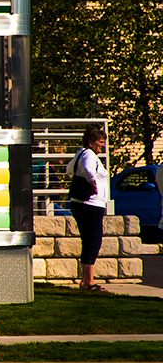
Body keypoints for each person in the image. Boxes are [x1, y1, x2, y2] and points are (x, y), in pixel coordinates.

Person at [65, 124, 109, 291]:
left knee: (89, 240)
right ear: (91, 142)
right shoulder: (89, 154)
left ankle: (86, 279)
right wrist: (93, 183)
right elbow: (90, 171)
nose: (102, 145)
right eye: (100, 142)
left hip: (80, 203)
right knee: (93, 240)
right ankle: (88, 281)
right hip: (90, 204)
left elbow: (69, 169)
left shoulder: (80, 153)